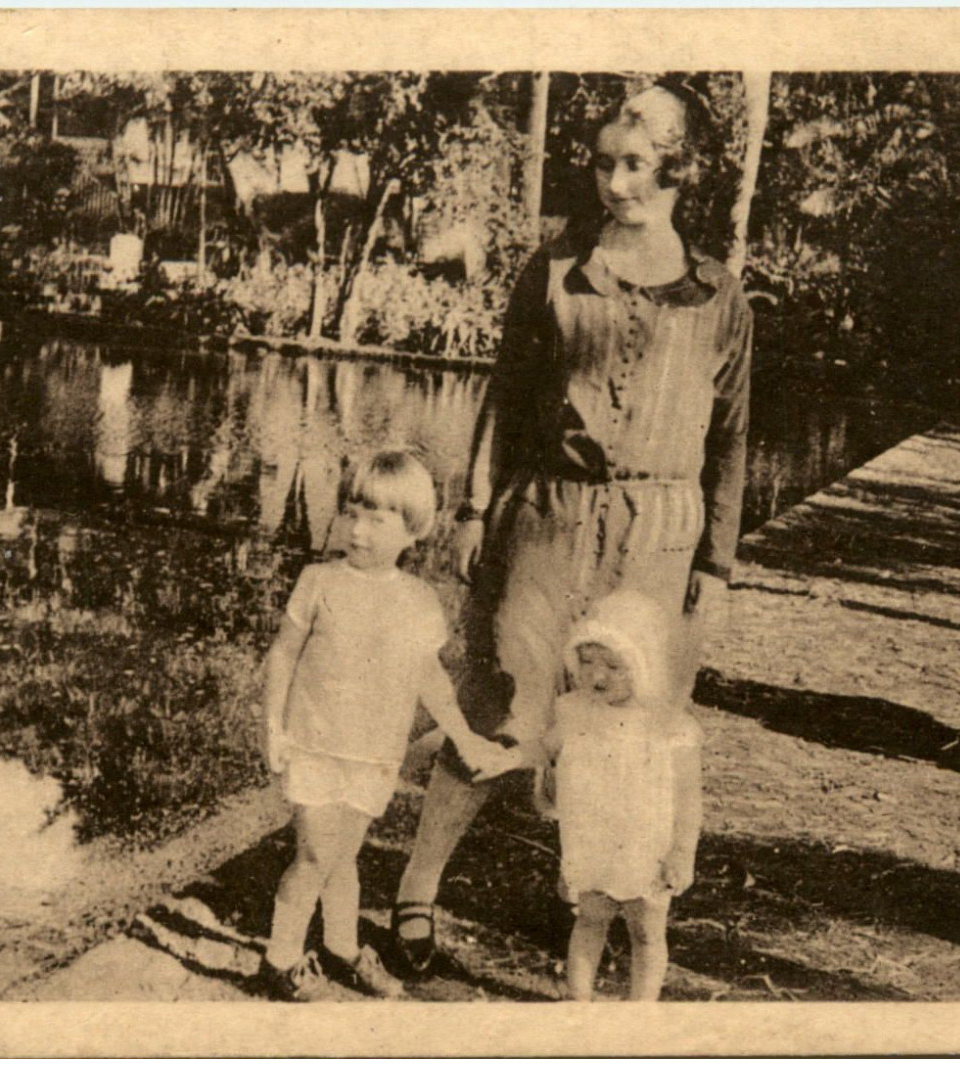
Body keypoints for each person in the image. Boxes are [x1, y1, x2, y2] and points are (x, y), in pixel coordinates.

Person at [390, 81, 752, 975]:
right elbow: (503, 400)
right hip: (546, 516)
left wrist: (717, 559)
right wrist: (476, 508)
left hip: (661, 530)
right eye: (602, 162)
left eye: (634, 164)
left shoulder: (718, 296)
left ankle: (610, 900)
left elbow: (735, 434)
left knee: (626, 724)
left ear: (677, 168)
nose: (614, 182)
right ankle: (415, 889)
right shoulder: (551, 271)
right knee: (498, 704)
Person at [259, 450, 514, 1001]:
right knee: (313, 856)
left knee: (344, 856)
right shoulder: (318, 581)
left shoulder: (417, 601)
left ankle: (341, 945)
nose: (359, 530)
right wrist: (273, 726)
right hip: (315, 744)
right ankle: (279, 958)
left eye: (379, 520)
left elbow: (431, 678)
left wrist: (465, 735)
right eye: (353, 512)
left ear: (413, 531)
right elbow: (282, 655)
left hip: (374, 753)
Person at [537, 591, 702, 1001]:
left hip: (647, 846)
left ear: (643, 667)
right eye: (587, 661)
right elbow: (547, 759)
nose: (597, 675)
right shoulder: (572, 711)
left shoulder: (667, 726)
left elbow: (688, 799)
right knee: (589, 920)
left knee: (646, 930)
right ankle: (579, 1001)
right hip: (592, 840)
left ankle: (640, 1008)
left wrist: (682, 851)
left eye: (614, 665)